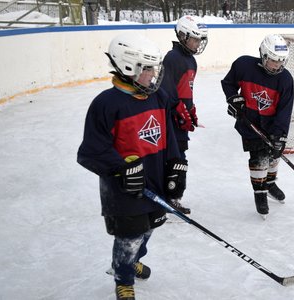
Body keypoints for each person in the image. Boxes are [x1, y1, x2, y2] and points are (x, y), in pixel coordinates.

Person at [77, 32, 186, 300]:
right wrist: (120, 168)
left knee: (148, 228)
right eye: (147, 68)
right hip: (124, 190)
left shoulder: (157, 97)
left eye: (153, 67)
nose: (153, 74)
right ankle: (123, 278)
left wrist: (176, 164)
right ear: (127, 67)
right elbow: (90, 152)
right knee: (129, 236)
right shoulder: (106, 104)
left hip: (154, 180)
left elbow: (167, 136)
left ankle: (132, 260)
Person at [221, 34, 294, 219]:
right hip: (249, 122)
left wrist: (280, 135)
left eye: (280, 61)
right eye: (272, 61)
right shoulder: (244, 65)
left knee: (273, 154)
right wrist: (233, 99)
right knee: (259, 158)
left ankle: (269, 183)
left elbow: (285, 110)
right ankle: (260, 193)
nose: (277, 66)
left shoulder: (285, 79)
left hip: (272, 123)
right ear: (263, 54)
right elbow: (228, 83)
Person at [161, 15, 208, 214]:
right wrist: (177, 108)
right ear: (182, 35)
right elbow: (165, 89)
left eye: (200, 40)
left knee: (180, 157)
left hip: (180, 116)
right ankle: (168, 198)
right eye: (195, 39)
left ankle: (173, 197)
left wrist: (190, 108)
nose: (198, 44)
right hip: (170, 118)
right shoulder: (172, 58)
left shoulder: (191, 61)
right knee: (173, 157)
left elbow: (185, 89)